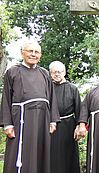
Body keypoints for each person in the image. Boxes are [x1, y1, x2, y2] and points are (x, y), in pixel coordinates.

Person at [0, 40, 60, 173]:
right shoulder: (13, 72)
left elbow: (51, 98)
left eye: (36, 52)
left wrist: (53, 120)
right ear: (22, 53)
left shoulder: (44, 73)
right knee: (20, 152)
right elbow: (6, 98)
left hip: (42, 118)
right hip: (21, 118)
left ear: (40, 55)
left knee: (40, 152)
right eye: (30, 51)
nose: (33, 54)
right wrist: (7, 124)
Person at [49, 61, 81, 173]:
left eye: (59, 71)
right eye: (54, 72)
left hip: (69, 127)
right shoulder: (47, 88)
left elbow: (79, 109)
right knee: (52, 156)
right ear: (50, 73)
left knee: (68, 155)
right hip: (51, 127)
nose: (57, 74)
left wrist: (79, 126)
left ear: (64, 72)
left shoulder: (72, 88)